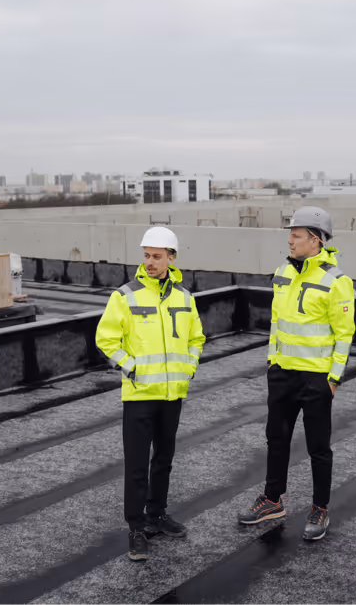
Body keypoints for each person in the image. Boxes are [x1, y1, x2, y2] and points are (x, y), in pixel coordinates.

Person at [238, 206, 356, 541]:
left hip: (316, 379)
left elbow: (344, 334)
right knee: (276, 439)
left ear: (315, 240)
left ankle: (320, 508)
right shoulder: (283, 272)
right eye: (290, 234)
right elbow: (277, 322)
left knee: (319, 447)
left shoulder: (336, 281)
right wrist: (272, 360)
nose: (289, 240)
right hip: (282, 375)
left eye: (296, 235)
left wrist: (333, 379)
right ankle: (273, 500)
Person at [95, 226, 205, 562]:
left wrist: (187, 370)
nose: (151, 261)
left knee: (163, 460)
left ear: (172, 259)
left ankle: (157, 514)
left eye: (157, 256)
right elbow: (106, 339)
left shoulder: (185, 298)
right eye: (147, 255)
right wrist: (132, 368)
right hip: (140, 395)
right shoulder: (125, 296)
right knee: (137, 465)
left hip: (172, 395)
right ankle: (136, 527)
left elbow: (196, 340)